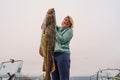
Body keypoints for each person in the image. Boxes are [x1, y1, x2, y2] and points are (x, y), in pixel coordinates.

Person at [47, 9, 74, 80]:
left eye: (68, 21)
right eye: (65, 20)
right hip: (53, 55)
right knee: (55, 78)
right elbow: (52, 25)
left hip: (63, 55)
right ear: (62, 21)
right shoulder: (58, 29)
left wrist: (54, 30)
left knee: (63, 78)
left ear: (70, 24)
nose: (66, 21)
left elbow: (62, 40)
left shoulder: (69, 31)